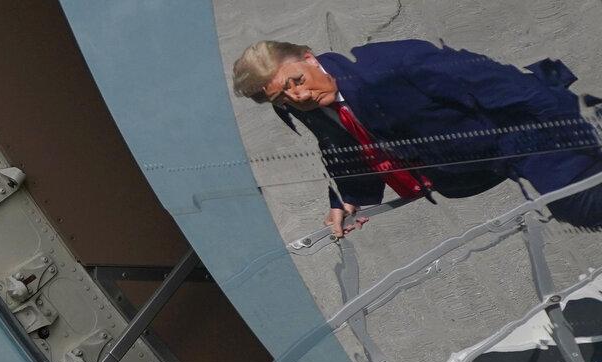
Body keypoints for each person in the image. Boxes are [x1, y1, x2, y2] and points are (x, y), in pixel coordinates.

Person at [232, 39, 602, 237]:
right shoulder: (307, 105)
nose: (297, 97)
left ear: (310, 58)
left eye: (296, 81)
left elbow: (497, 83)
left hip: (526, 133)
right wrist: (347, 199)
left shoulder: (393, 65)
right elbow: (340, 145)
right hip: (470, 166)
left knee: (579, 203)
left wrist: (569, 125)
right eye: (282, 97)